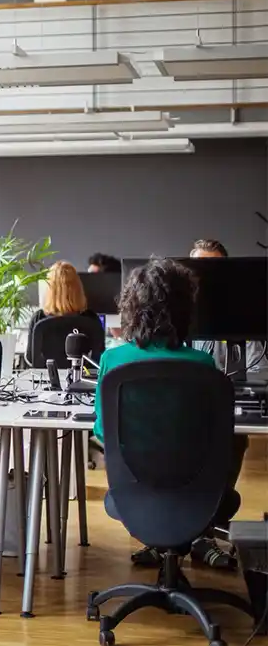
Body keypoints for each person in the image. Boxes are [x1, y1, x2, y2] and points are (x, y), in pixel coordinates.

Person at [95, 258, 242, 571]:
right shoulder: (202, 365)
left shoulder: (113, 360)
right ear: (185, 308)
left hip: (133, 495)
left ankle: (162, 549)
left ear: (131, 307)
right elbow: (212, 438)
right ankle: (189, 545)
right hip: (196, 495)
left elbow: (103, 433)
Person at [189, 238, 267, 375]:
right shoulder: (176, 317)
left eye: (213, 269)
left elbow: (259, 371)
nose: (205, 277)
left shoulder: (241, 319)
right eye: (199, 268)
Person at [25, 261, 96, 363]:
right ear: (78, 287)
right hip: (82, 377)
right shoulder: (90, 318)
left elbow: (31, 358)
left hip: (47, 378)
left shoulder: (38, 318)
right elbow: (98, 358)